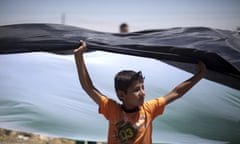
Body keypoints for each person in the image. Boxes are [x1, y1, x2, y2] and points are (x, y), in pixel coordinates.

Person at [74, 40, 206, 144]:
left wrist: (200, 75)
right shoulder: (112, 110)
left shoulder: (149, 109)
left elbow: (176, 93)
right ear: (121, 95)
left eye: (143, 87)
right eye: (136, 90)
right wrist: (79, 57)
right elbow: (89, 87)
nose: (143, 93)